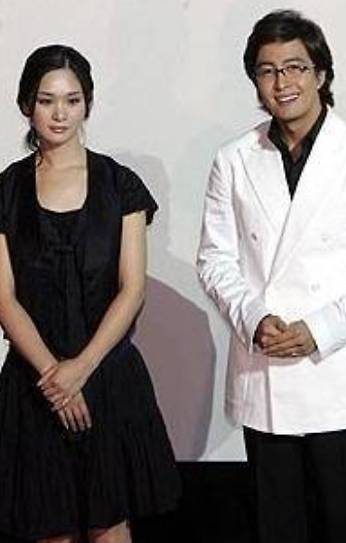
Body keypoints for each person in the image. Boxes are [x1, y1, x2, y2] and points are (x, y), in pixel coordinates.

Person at [197, 10, 346, 543]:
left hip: (341, 375)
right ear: (255, 81)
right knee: (278, 528)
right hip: (266, 371)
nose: (282, 82)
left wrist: (320, 328)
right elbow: (215, 259)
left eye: (295, 67)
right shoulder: (233, 159)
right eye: (267, 71)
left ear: (320, 73)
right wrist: (255, 318)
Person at [0, 45, 180, 543]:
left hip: (108, 377)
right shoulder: (7, 190)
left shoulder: (121, 185)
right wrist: (54, 379)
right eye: (47, 100)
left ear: (88, 105)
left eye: (72, 100)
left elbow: (132, 289)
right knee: (48, 527)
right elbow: (4, 300)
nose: (60, 113)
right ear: (26, 105)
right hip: (33, 383)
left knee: (110, 524)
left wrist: (80, 368)